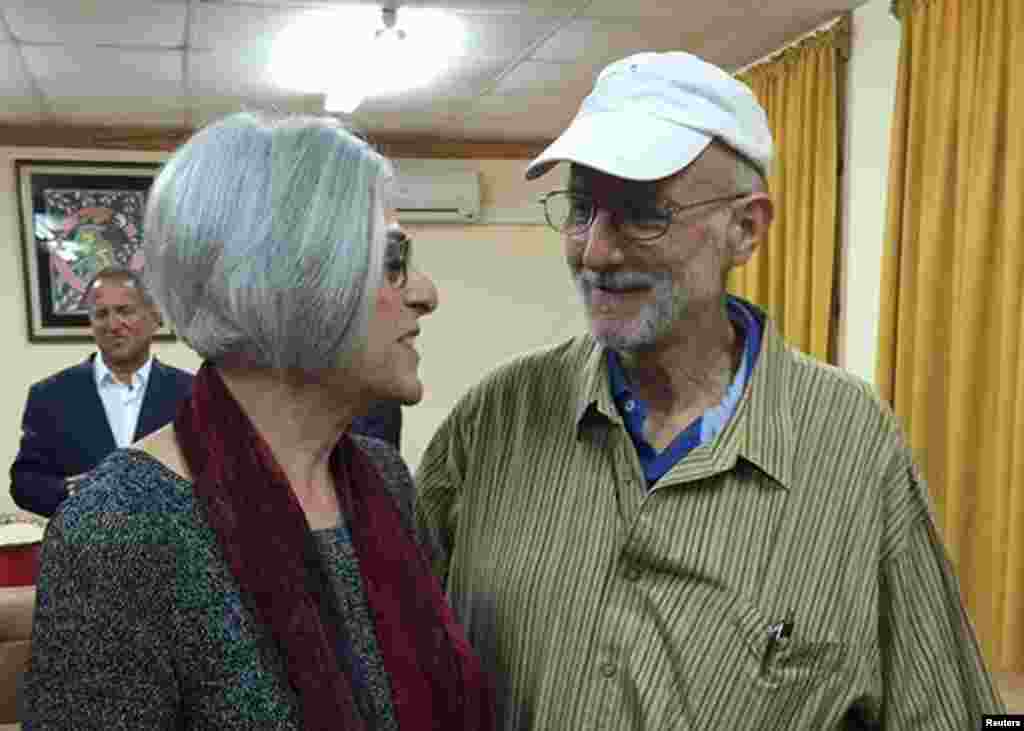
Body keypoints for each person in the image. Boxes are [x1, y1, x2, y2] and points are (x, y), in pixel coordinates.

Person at [415, 52, 1005, 729]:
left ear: (745, 229)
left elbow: (943, 710)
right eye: (582, 209)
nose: (596, 252)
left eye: (641, 213)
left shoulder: (851, 445)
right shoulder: (496, 420)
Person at [22, 113, 494, 730]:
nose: (426, 293)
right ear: (291, 284)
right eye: (392, 261)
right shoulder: (122, 529)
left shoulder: (383, 479)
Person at [9, 266, 193, 518]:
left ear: (154, 317)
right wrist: (70, 493)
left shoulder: (191, 393)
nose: (113, 325)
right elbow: (24, 483)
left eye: (125, 311)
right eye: (101, 314)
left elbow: (218, 474)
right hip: (82, 552)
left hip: (174, 551)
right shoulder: (50, 395)